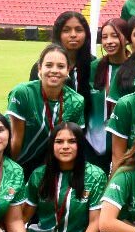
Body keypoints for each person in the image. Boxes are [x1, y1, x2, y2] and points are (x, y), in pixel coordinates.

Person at [13, 122, 108, 232]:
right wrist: (2, 231)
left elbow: (96, 222)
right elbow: (23, 216)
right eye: (59, 142)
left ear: (80, 145)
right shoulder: (39, 174)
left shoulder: (95, 176)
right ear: (52, 146)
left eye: (71, 141)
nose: (65, 146)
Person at [8, 44, 86, 176]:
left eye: (60, 66)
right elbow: (16, 139)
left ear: (68, 70)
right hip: (11, 158)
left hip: (41, 165)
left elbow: (73, 142)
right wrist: (9, 172)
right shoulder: (23, 93)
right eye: (49, 65)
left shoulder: (76, 101)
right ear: (39, 68)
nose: (54, 70)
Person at [89, 18, 130, 167]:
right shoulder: (94, 67)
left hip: (125, 138)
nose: (109, 41)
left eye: (114, 35)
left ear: (127, 38)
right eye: (105, 37)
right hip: (94, 141)